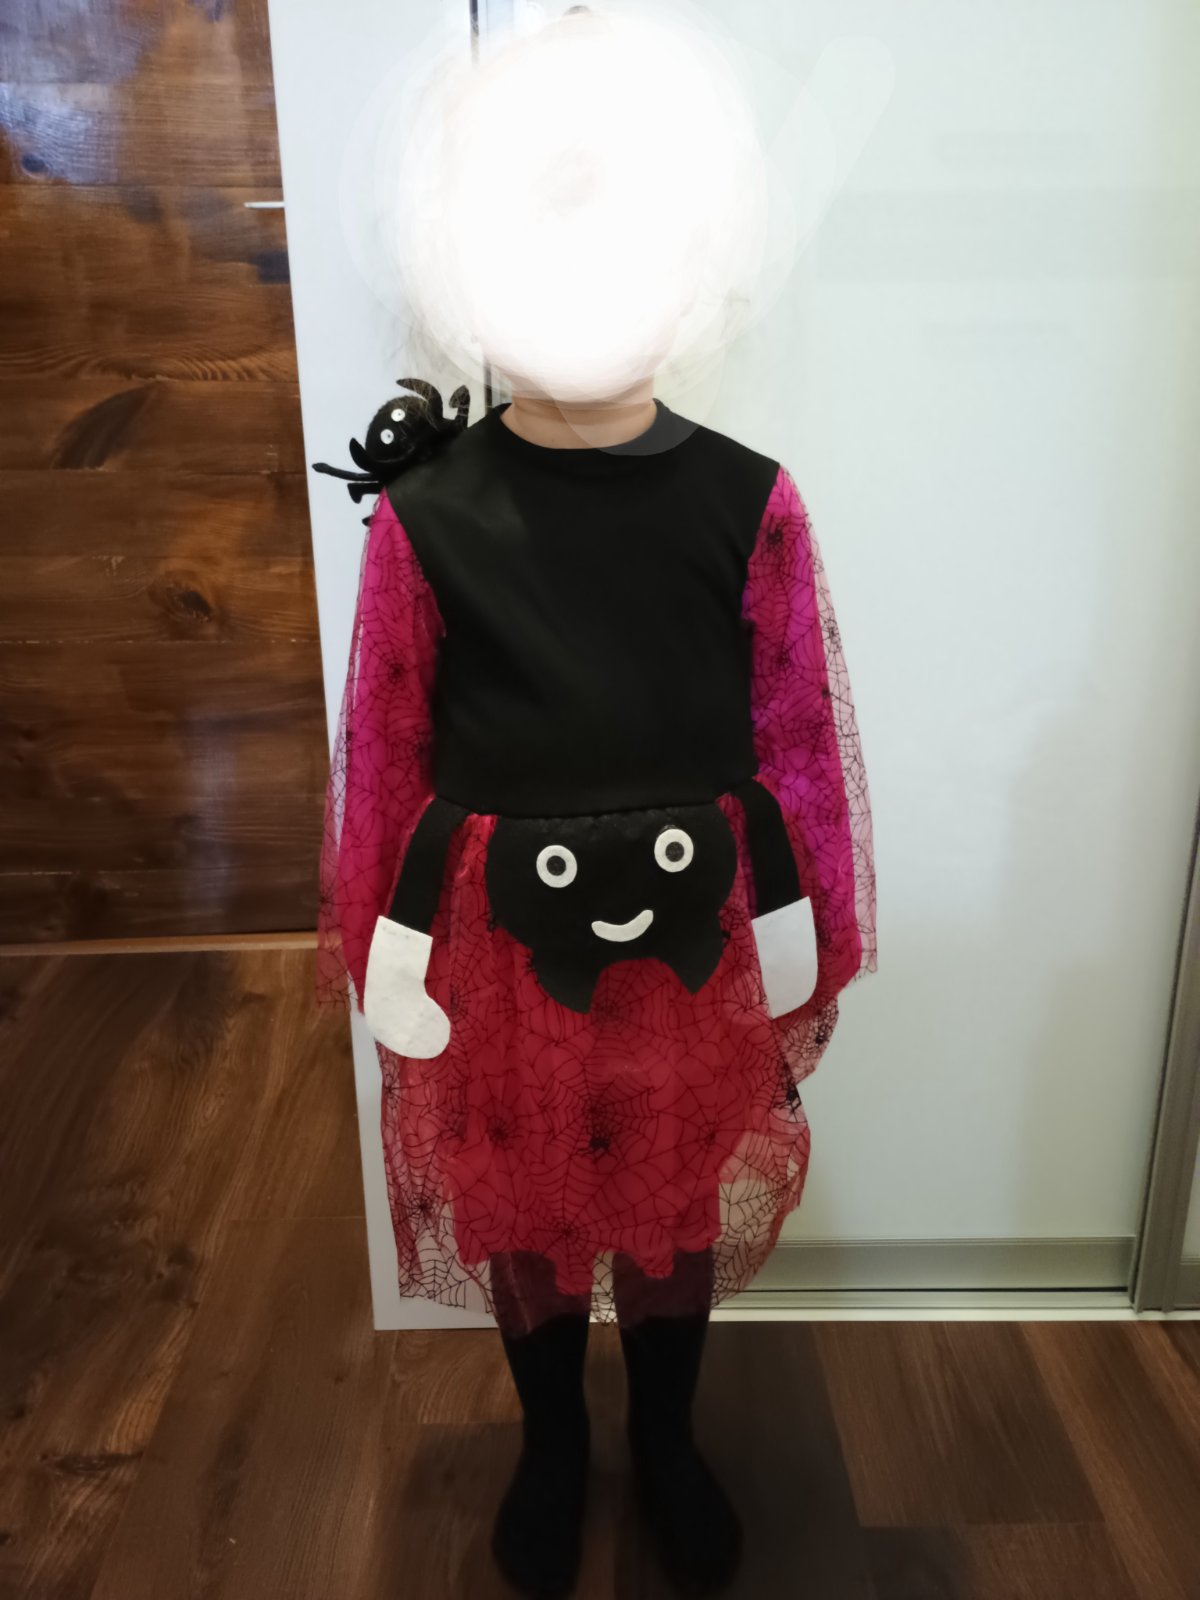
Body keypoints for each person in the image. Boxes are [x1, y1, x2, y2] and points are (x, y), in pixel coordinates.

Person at [314, 371, 876, 1598]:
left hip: (689, 936)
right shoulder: (428, 513)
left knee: (673, 1179)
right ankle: (554, 1441)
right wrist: (381, 933)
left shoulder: (750, 499)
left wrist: (811, 916)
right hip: (504, 942)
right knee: (525, 1186)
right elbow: (389, 738)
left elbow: (796, 732)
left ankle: (666, 1436)